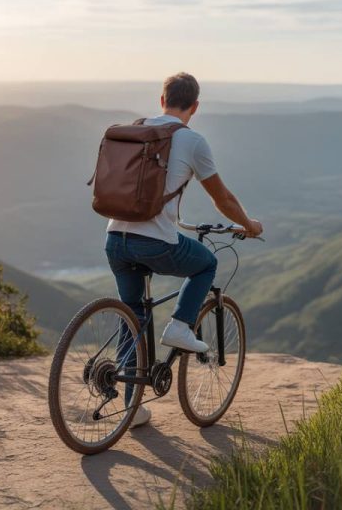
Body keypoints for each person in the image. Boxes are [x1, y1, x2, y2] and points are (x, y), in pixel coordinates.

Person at [104, 72, 263, 428]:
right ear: (195, 106)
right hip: (155, 241)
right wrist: (250, 225)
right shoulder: (192, 141)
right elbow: (223, 198)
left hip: (115, 238)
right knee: (205, 263)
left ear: (161, 100)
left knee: (134, 315)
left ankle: (130, 406)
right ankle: (179, 325)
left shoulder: (137, 129)